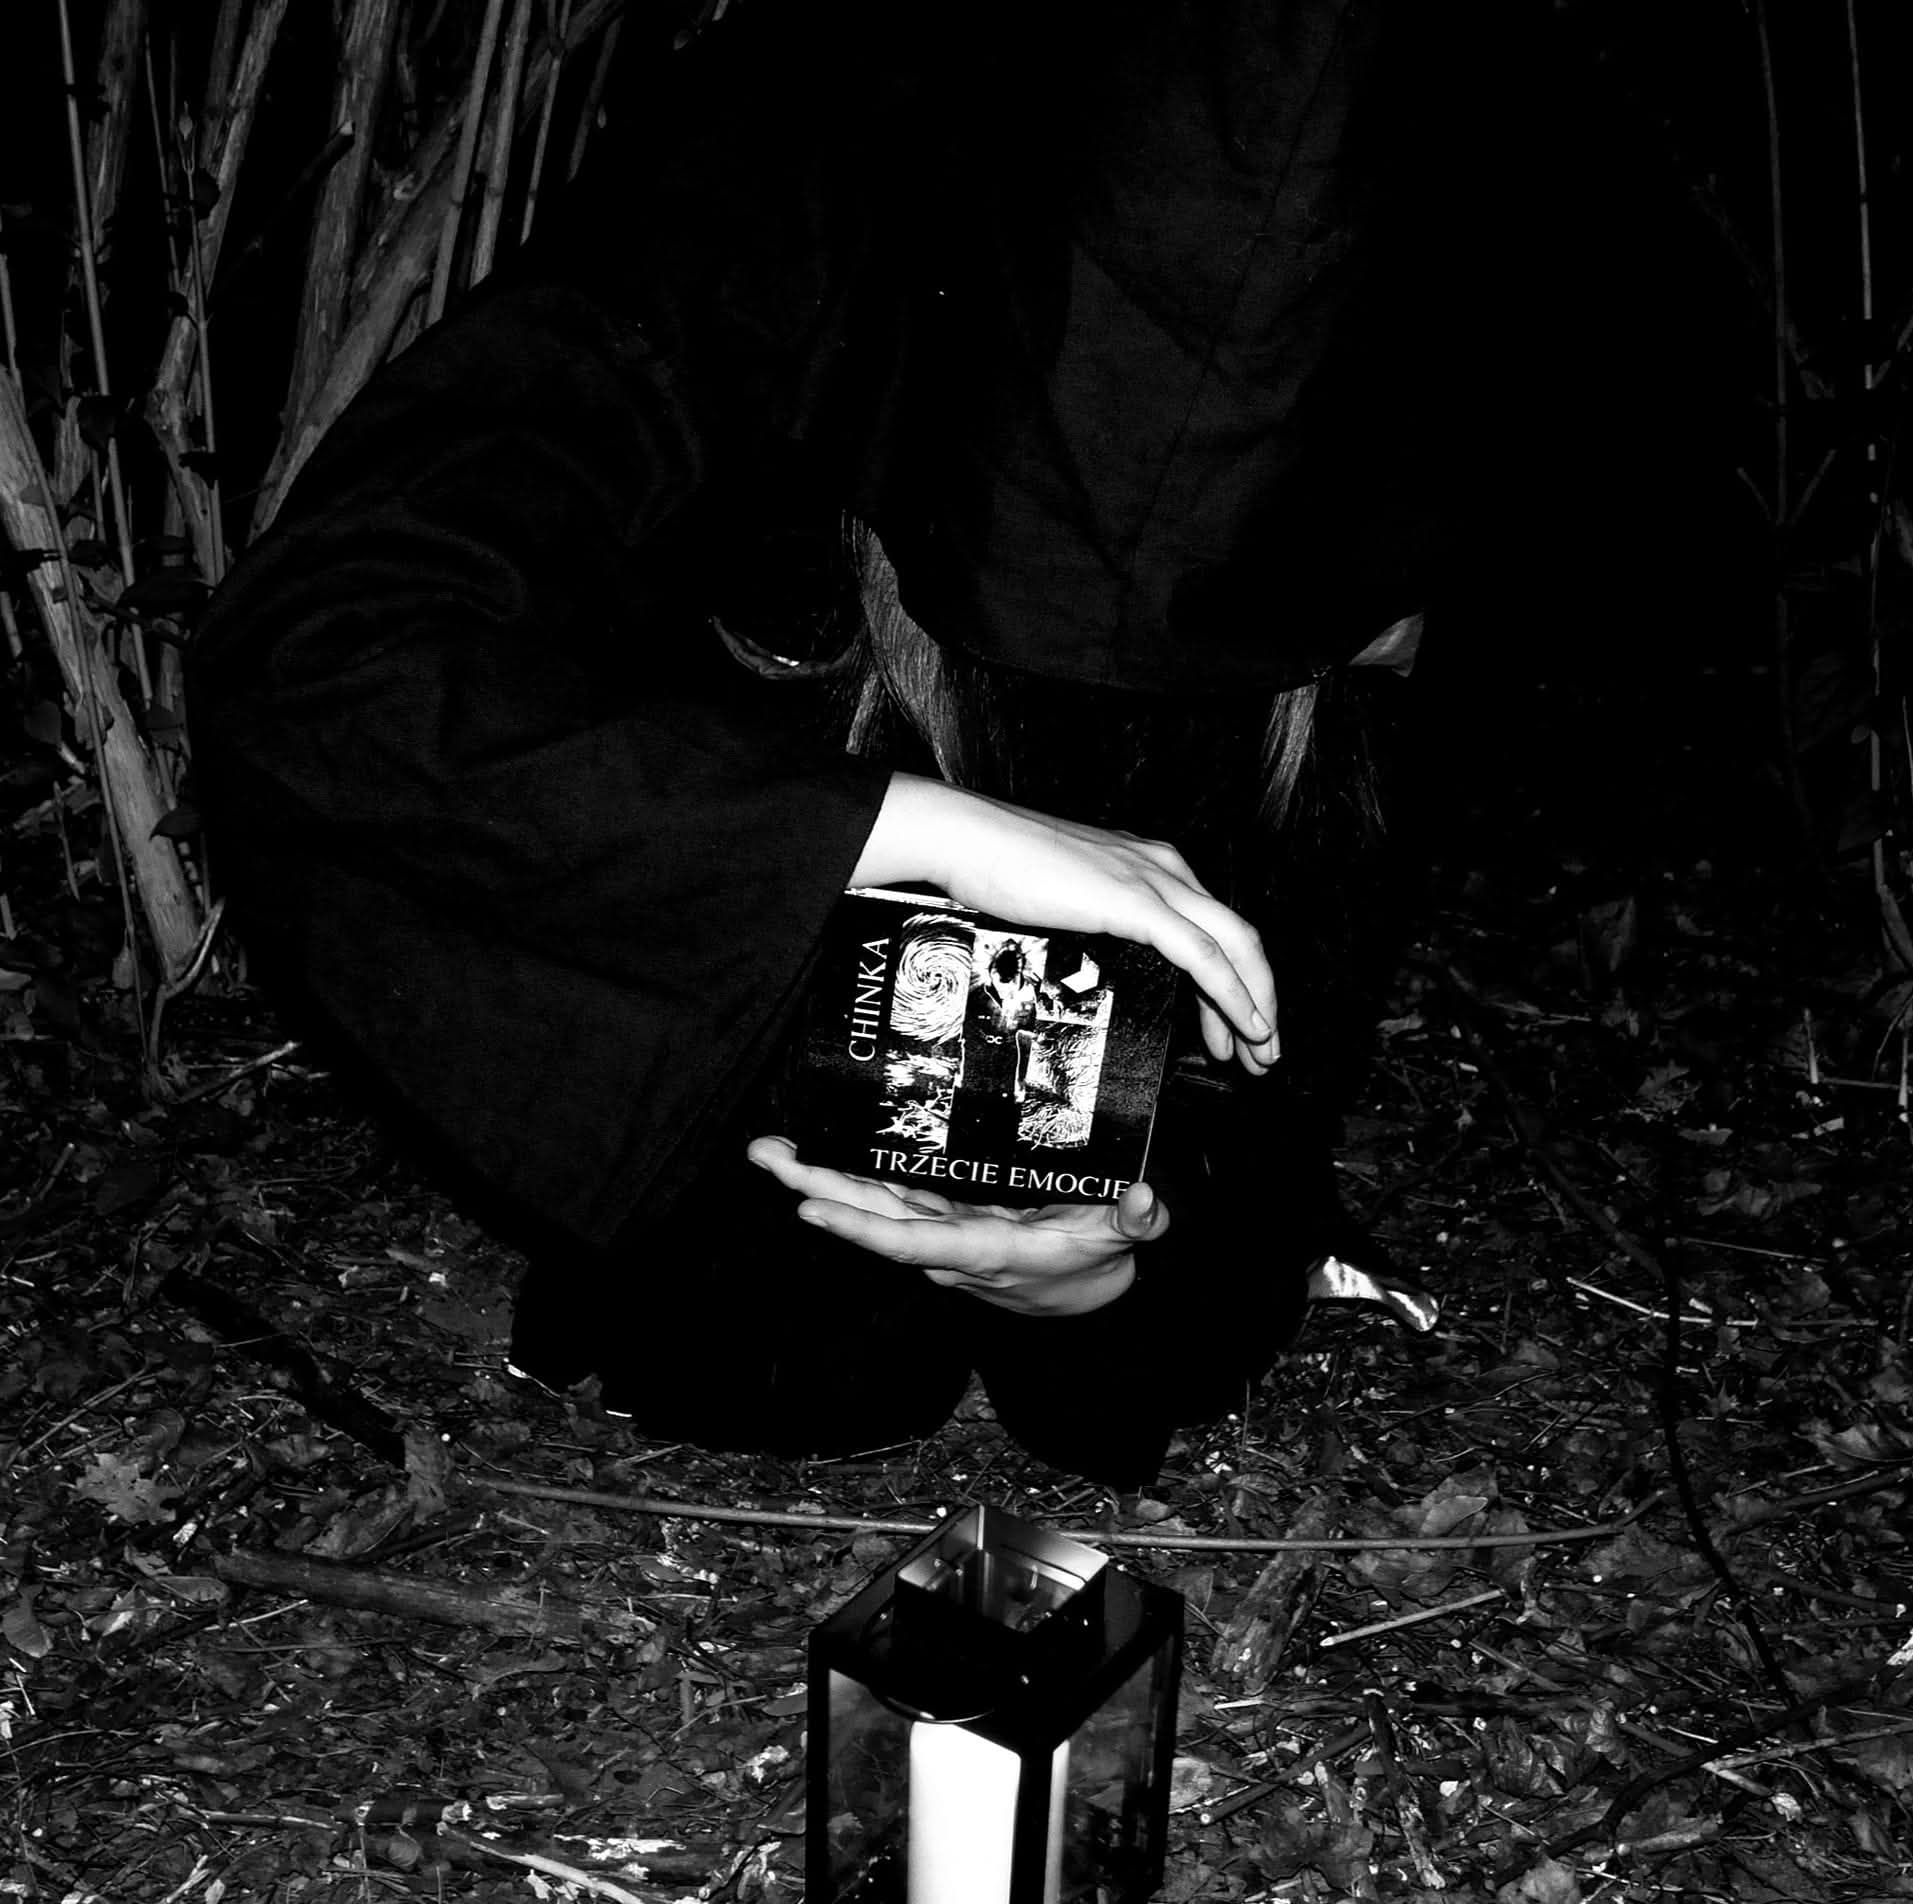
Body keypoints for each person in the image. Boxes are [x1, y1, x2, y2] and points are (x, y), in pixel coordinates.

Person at [189, 0, 1451, 1483]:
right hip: (727, 1001)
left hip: (1099, 1140)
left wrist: (1093, 1281)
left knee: (1107, 1345)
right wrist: (900, 830)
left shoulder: (1376, 450)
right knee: (796, 1353)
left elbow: (1269, 1097)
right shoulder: (773, 230)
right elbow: (329, 667)